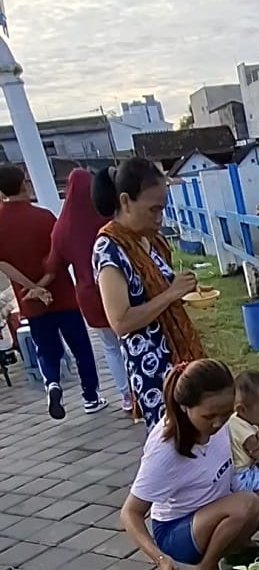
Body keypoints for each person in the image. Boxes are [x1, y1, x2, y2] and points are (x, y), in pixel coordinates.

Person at [120, 359, 259, 570]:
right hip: (180, 532)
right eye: (209, 416)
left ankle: (236, 548)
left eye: (226, 413)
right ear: (186, 408)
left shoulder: (224, 423)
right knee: (245, 504)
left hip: (223, 506)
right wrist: (160, 559)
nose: (219, 423)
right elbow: (130, 513)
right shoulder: (164, 450)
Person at [91, 157, 203, 430]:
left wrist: (179, 286)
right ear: (126, 201)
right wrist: (170, 293)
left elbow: (160, 288)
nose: (159, 218)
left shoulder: (148, 241)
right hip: (155, 371)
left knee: (201, 438)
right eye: (152, 209)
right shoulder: (110, 249)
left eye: (162, 209)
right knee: (174, 445)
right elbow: (121, 322)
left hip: (181, 358)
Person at [0, 165, 107, 419]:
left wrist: (32, 289)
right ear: (24, 183)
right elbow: (59, 256)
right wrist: (44, 284)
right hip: (62, 294)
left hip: (31, 301)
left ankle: (52, 383)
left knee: (45, 348)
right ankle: (90, 397)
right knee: (81, 347)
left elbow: (3, 263)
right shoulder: (45, 216)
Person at [48, 168, 132, 412]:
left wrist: (37, 285)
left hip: (88, 296)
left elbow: (54, 265)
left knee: (110, 347)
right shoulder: (107, 218)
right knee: (129, 340)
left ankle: (125, 396)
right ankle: (139, 388)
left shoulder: (61, 228)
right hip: (118, 287)